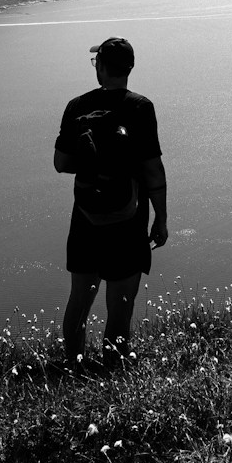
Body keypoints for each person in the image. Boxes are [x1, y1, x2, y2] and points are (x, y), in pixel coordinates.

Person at [53, 36, 168, 369]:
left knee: (79, 300)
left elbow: (61, 163)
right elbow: (152, 169)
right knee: (120, 304)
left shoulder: (77, 106)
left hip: (86, 220)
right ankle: (112, 372)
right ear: (129, 68)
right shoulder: (140, 107)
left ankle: (74, 368)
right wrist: (160, 218)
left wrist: (94, 164)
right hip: (128, 223)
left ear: (101, 67)